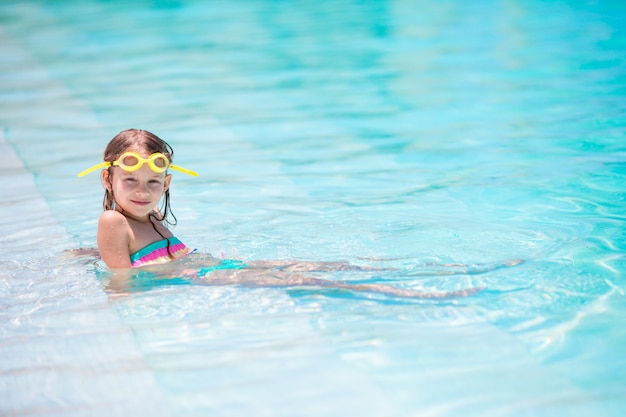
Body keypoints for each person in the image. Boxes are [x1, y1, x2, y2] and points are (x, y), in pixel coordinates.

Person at [78, 128, 485, 299]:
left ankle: (431, 272)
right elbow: (121, 282)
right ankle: (411, 291)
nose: (142, 191)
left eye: (153, 183)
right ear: (107, 180)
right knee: (311, 279)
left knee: (324, 266)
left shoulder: (149, 219)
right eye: (130, 182)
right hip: (206, 276)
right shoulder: (114, 221)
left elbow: (131, 262)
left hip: (215, 267)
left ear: (166, 184)